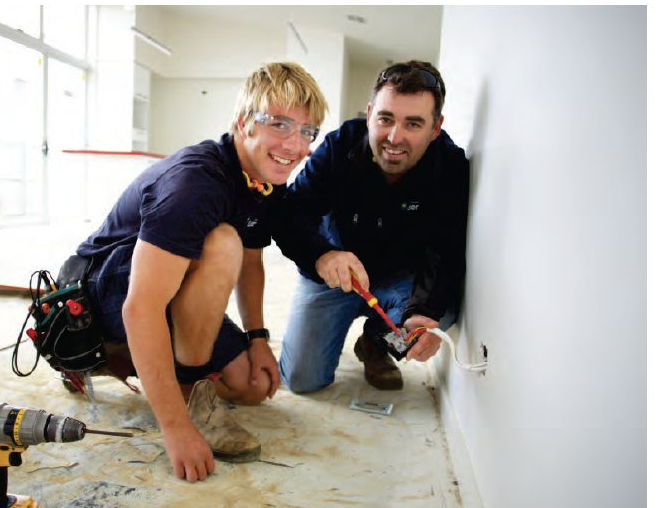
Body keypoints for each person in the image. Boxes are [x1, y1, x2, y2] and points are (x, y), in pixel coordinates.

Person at [74, 62, 328, 483]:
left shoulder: (265, 178)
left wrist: (258, 339)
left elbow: (251, 261)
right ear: (244, 124)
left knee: (251, 387)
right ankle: (177, 384)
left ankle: (134, 361)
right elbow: (142, 306)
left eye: (307, 132)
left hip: (163, 287)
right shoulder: (195, 184)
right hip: (102, 290)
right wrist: (176, 428)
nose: (295, 146)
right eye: (281, 125)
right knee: (222, 241)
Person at [272, 60, 469, 393]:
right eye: (386, 119)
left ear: (435, 128)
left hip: (399, 283)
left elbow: (445, 250)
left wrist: (421, 312)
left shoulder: (449, 166)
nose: (395, 137)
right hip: (334, 274)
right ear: (369, 114)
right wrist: (322, 255)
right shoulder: (339, 146)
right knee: (301, 381)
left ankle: (376, 343)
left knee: (437, 315)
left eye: (414, 124)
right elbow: (290, 212)